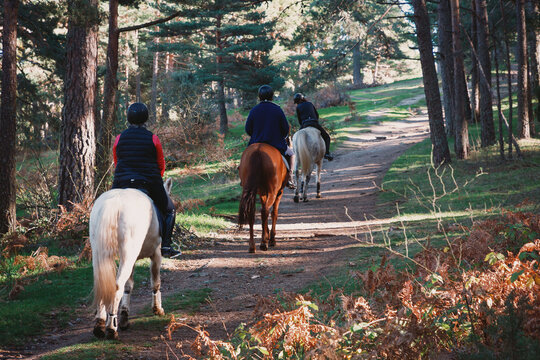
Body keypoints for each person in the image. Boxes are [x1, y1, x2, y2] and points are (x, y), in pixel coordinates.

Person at [112, 102, 181, 258]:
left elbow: (117, 161)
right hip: (148, 182)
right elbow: (161, 164)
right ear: (145, 118)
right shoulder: (153, 138)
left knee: (109, 210)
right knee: (170, 210)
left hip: (121, 183)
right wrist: (158, 177)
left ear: (128, 118)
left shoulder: (119, 138)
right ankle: (166, 247)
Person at [245, 85, 295, 189]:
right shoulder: (277, 109)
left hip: (256, 143)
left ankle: (243, 177)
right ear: (272, 96)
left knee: (246, 158)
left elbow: (248, 129)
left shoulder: (254, 110)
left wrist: (256, 136)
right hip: (275, 143)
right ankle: (290, 178)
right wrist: (279, 137)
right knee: (291, 154)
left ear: (259, 96)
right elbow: (285, 129)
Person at [293, 93, 334, 161]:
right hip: (314, 123)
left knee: (296, 138)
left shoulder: (298, 107)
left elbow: (299, 120)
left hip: (304, 125)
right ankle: (327, 153)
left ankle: (298, 156)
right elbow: (317, 115)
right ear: (303, 98)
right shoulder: (310, 104)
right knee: (326, 137)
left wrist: (302, 125)